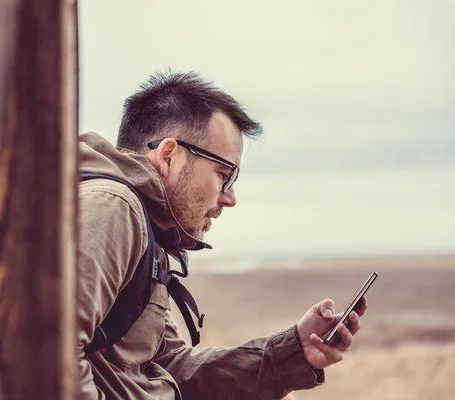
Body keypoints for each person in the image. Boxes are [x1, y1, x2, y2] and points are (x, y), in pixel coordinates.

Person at [77, 71, 367, 400]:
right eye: (223, 175)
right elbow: (46, 356)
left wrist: (292, 354)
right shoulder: (115, 209)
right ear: (169, 156)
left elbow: (168, 367)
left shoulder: (147, 233)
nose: (230, 198)